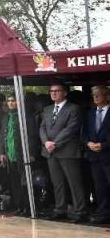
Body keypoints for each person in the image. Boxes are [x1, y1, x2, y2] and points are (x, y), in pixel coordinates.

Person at [40, 83, 88, 222]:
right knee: (57, 182)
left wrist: (55, 143)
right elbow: (42, 128)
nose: (53, 93)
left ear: (65, 93)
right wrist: (46, 142)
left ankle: (80, 210)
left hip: (67, 151)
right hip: (50, 151)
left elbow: (71, 129)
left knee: (74, 182)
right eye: (51, 91)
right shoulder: (47, 109)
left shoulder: (74, 109)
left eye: (57, 91)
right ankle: (60, 208)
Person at [0, 94, 40, 217]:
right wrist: (1, 151)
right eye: (9, 101)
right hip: (10, 154)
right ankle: (19, 205)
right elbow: (2, 135)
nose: (11, 103)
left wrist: (31, 153)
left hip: (23, 154)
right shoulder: (6, 116)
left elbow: (32, 136)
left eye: (14, 101)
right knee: (15, 181)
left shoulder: (26, 116)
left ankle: (28, 206)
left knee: (25, 182)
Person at [84, 86, 110, 225]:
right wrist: (88, 143)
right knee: (99, 186)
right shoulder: (91, 113)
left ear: (107, 96)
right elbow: (85, 132)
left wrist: (104, 145)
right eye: (94, 95)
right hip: (94, 156)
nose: (95, 97)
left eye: (98, 94)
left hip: (107, 153)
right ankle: (103, 212)